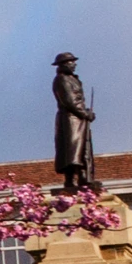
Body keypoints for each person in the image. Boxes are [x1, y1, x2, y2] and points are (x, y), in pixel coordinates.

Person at [51, 52, 97, 194]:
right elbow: (69, 101)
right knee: (71, 150)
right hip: (70, 119)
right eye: (71, 62)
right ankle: (70, 179)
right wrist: (85, 114)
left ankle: (83, 176)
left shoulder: (73, 79)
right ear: (63, 65)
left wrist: (85, 113)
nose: (74, 64)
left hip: (78, 118)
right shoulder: (61, 80)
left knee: (82, 149)